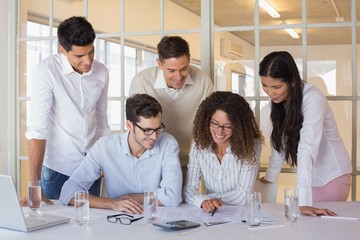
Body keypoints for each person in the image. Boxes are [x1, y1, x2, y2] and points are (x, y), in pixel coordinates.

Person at [23, 16, 111, 204]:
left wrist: (105, 162)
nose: (88, 61)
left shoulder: (102, 71)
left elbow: (102, 123)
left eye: (91, 52)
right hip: (58, 170)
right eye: (79, 56)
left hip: (91, 168)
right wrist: (34, 185)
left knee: (91, 226)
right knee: (56, 231)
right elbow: (38, 130)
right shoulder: (46, 71)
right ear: (62, 50)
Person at [258, 51, 352, 217]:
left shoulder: (313, 99)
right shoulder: (279, 100)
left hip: (331, 178)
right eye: (264, 85)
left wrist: (304, 203)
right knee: (297, 220)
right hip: (313, 179)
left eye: (276, 87)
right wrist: (270, 178)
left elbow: (306, 147)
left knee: (302, 220)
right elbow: (281, 141)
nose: (270, 92)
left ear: (292, 81)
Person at [59, 94, 182, 213]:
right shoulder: (105, 146)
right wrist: (112, 203)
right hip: (118, 221)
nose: (154, 136)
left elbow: (173, 196)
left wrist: (130, 198)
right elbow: (68, 192)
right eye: (147, 130)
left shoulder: (168, 143)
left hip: (156, 218)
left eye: (158, 128)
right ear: (129, 125)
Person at [129, 35, 214, 182]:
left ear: (189, 60)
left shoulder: (203, 80)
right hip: (150, 158)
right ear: (159, 63)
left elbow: (210, 122)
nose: (178, 76)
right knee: (150, 202)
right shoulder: (141, 82)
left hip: (189, 160)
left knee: (184, 202)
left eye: (183, 69)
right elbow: (133, 126)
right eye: (171, 70)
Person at [183, 91, 263, 213]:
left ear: (238, 127)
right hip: (212, 214)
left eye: (228, 126)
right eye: (215, 123)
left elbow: (243, 196)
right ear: (206, 120)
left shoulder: (250, 145)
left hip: (241, 215)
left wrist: (206, 200)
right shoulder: (198, 144)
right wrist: (204, 202)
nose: (219, 132)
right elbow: (189, 190)